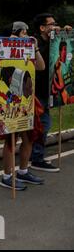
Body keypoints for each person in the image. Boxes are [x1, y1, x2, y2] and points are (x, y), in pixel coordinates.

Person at [0, 21, 46, 190]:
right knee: (10, 140)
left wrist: (35, 48)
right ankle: (7, 176)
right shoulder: (4, 48)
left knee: (29, 137)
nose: (26, 36)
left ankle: (23, 171)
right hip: (9, 102)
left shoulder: (29, 49)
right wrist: (10, 43)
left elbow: (41, 66)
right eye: (24, 33)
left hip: (27, 102)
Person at [30, 13, 72, 172]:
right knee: (43, 124)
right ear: (42, 28)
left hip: (48, 90)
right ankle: (37, 158)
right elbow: (43, 62)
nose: (56, 26)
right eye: (51, 24)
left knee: (42, 124)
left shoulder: (53, 41)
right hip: (36, 91)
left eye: (56, 23)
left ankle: (34, 154)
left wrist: (65, 35)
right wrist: (55, 37)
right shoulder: (36, 43)